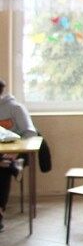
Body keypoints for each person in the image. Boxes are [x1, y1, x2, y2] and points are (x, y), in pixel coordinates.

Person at [0, 78, 37, 232]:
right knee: (3, 164)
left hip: (15, 153)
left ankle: (0, 212)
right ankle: (11, 166)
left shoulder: (15, 108)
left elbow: (30, 133)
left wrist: (15, 152)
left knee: (2, 169)